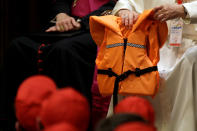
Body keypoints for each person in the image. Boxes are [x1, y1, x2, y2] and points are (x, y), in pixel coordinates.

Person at [3, 0, 116, 129]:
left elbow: (122, 4)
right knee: (19, 46)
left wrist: (80, 23)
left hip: (103, 25)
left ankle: (68, 122)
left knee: (64, 50)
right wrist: (61, 14)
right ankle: (22, 122)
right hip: (68, 23)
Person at [110, 0, 197, 131]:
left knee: (192, 59)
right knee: (129, 58)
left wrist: (185, 9)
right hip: (154, 39)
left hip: (193, 42)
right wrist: (124, 11)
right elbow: (126, 2)